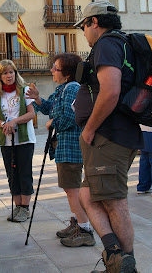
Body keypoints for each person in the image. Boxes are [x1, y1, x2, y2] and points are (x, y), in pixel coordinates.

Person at [74, 1, 143, 272]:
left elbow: (111, 91)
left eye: (83, 26)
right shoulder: (123, 44)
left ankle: (126, 265)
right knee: (87, 194)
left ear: (94, 22)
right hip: (116, 134)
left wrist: (90, 128)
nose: (83, 32)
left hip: (107, 136)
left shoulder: (106, 44)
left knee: (114, 201)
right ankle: (116, 256)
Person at [27, 53, 95, 248]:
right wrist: (38, 99)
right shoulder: (63, 89)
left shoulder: (72, 89)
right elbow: (51, 107)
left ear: (66, 73)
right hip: (65, 147)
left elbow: (69, 118)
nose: (51, 71)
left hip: (71, 147)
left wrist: (51, 123)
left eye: (55, 68)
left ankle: (85, 230)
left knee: (72, 190)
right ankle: (77, 223)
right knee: (69, 188)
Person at [0, 59, 36, 222]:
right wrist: (3, 124)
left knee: (24, 172)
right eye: (5, 73)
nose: (9, 76)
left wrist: (14, 121)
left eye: (11, 72)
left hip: (24, 139)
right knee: (12, 173)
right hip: (6, 140)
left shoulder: (25, 90)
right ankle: (17, 207)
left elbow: (31, 114)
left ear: (16, 73)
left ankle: (25, 208)